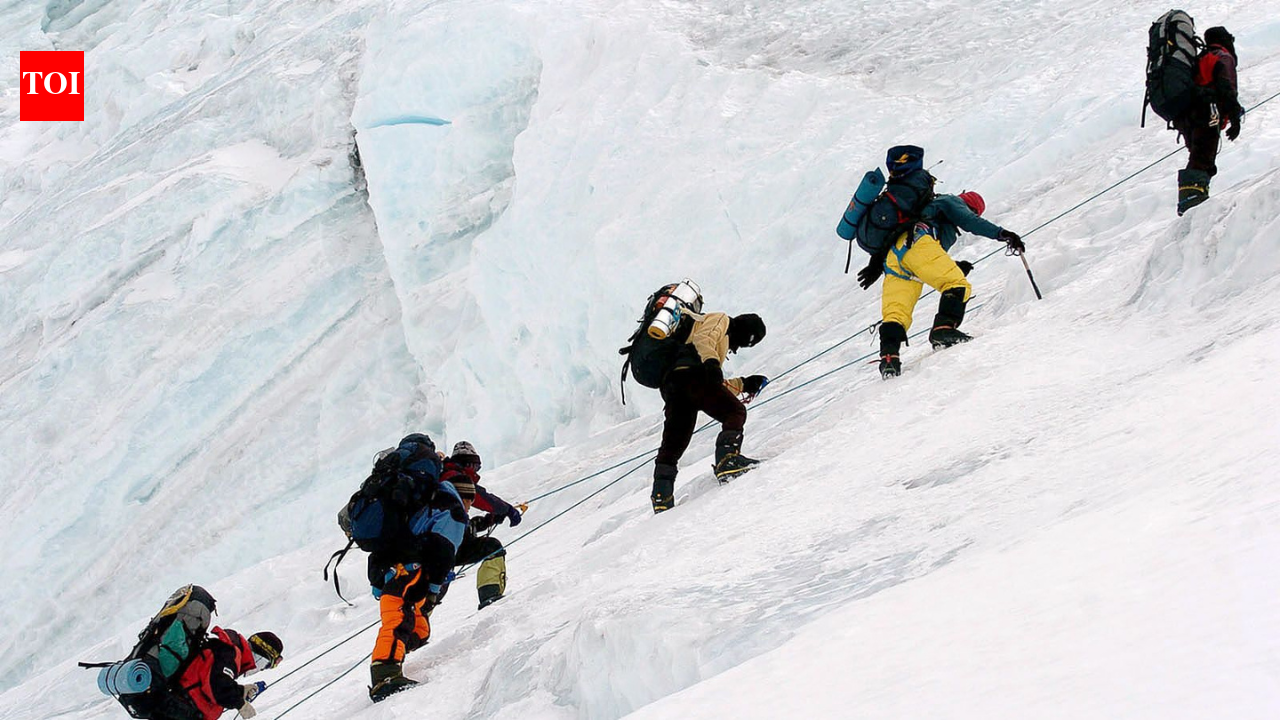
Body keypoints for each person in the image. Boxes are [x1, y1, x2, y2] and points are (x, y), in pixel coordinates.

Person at [857, 169, 1023, 377]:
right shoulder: (952, 202)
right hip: (916, 242)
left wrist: (952, 265)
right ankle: (943, 329)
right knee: (958, 285)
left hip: (894, 258)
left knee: (896, 311)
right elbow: (969, 223)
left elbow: (927, 261)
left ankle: (889, 359)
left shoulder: (934, 213)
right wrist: (1002, 234)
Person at [366, 434, 469, 702]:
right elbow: (444, 546)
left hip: (388, 568)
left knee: (417, 628)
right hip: (412, 568)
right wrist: (434, 588)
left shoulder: (396, 493)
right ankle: (385, 674)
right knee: (399, 619)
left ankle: (394, 652)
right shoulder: (440, 495)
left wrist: (378, 581)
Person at [651, 312, 768, 513]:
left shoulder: (707, 347)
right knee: (735, 411)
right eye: (747, 343)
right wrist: (713, 364)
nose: (739, 349)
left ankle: (661, 496)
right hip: (692, 376)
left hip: (673, 384)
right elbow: (703, 340)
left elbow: (713, 385)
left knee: (675, 441)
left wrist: (743, 384)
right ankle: (727, 460)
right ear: (745, 333)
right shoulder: (721, 320)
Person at [441, 441, 524, 610]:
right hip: (443, 547)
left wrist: (487, 521)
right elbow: (482, 497)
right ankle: (490, 596)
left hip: (437, 545)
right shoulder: (454, 477)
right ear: (469, 464)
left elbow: (451, 522)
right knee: (492, 548)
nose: (476, 472)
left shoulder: (441, 478)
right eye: (476, 467)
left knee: (429, 592)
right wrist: (507, 510)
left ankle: (411, 631)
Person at [1172, 26, 1242, 215]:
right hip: (1207, 112)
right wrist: (1235, 115)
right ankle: (1193, 204)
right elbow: (1224, 86)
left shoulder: (1200, 58)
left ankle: (1191, 201)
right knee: (1203, 157)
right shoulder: (1222, 57)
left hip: (1188, 116)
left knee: (1198, 156)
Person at [165, 629, 283, 720]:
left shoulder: (228, 651)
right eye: (266, 664)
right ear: (260, 657)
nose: (261, 669)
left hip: (179, 707)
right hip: (181, 708)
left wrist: (241, 691)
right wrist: (240, 703)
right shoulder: (231, 653)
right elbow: (218, 686)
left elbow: (212, 679)